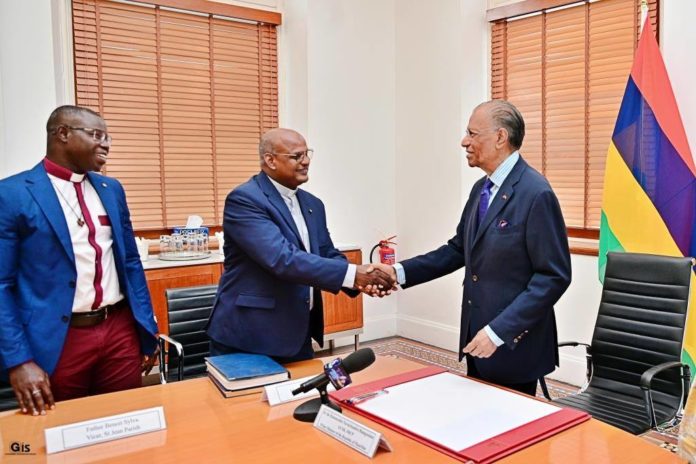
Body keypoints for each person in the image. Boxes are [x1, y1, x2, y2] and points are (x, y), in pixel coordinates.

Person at [373, 100, 571, 395]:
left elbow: (553, 277)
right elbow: (457, 250)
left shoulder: (535, 193)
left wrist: (498, 331)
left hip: (512, 343)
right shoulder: (482, 189)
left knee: (511, 422)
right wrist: (397, 272)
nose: (464, 142)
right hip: (477, 338)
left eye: (472, 134)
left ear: (500, 137)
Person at [0, 105, 159, 415]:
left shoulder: (111, 189)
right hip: (58, 337)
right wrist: (19, 360)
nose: (106, 144)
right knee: (63, 427)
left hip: (118, 329)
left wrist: (146, 327)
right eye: (96, 135)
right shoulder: (12, 194)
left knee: (127, 419)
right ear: (62, 134)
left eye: (108, 137)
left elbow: (130, 263)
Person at [206, 128, 395, 363]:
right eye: (296, 156)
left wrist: (361, 280)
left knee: (302, 388)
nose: (305, 161)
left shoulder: (312, 204)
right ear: (270, 160)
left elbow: (326, 252)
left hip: (297, 332)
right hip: (250, 336)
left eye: (307, 154)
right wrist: (353, 274)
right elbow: (282, 259)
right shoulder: (245, 199)